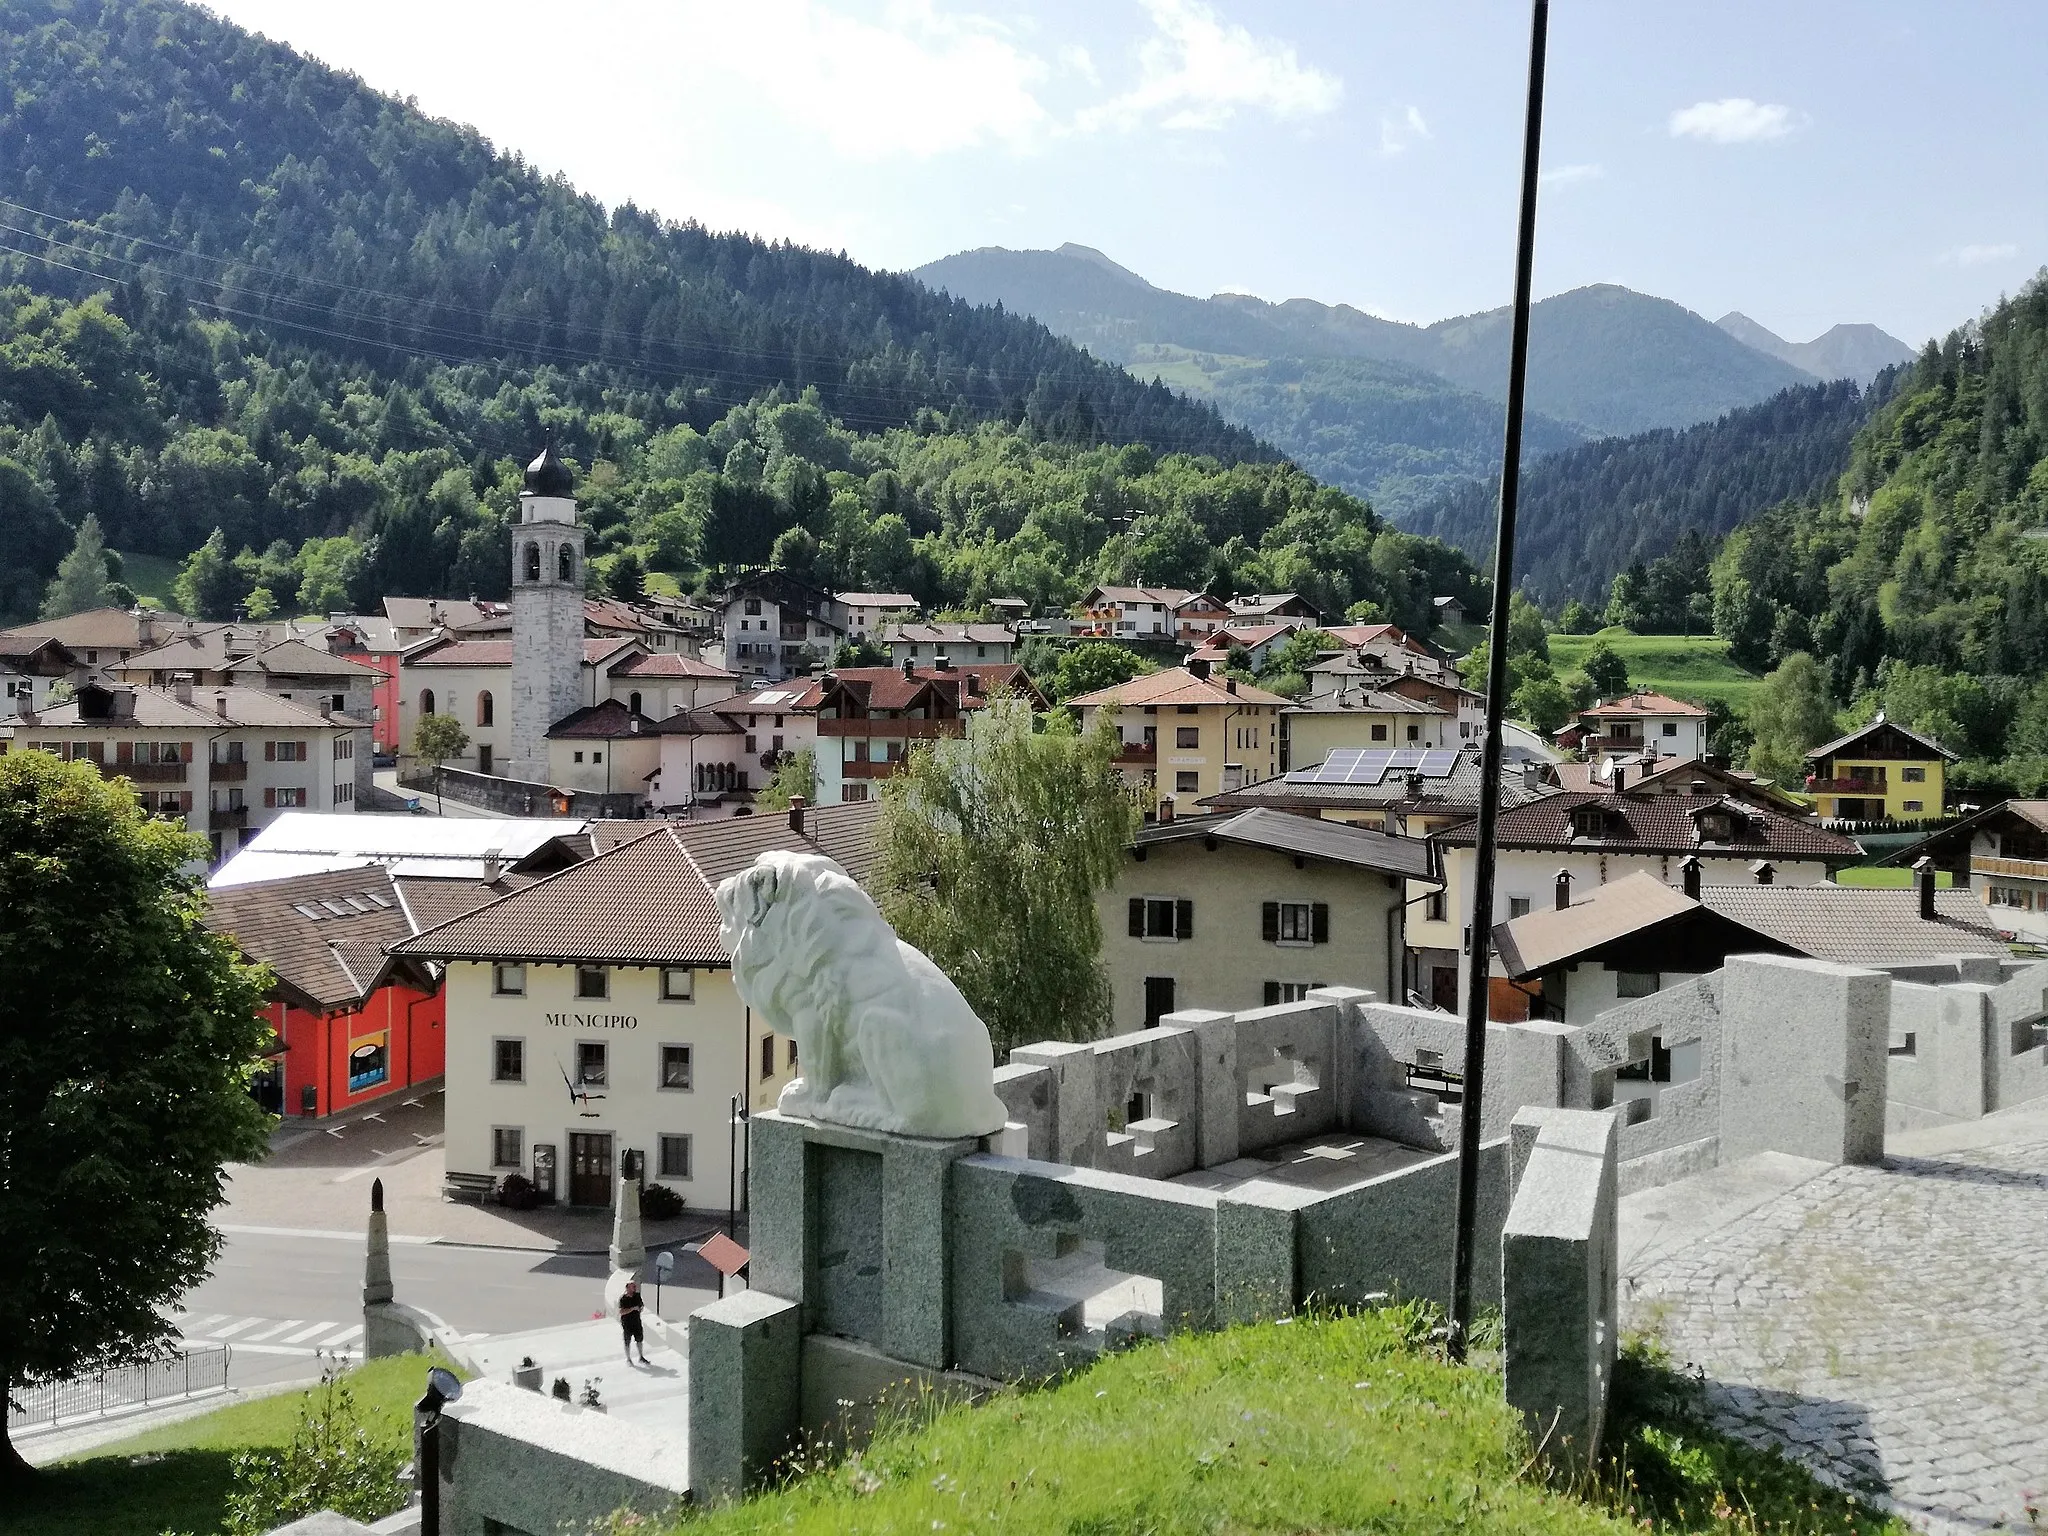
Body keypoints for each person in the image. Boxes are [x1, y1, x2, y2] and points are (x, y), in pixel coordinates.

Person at [619, 1278, 649, 1365]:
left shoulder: (637, 1296)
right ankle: (628, 1359)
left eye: (635, 1287)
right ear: (627, 1288)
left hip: (636, 1321)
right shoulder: (623, 1299)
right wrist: (632, 1309)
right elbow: (621, 1311)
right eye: (632, 1287)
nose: (634, 1288)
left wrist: (640, 1308)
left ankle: (641, 1356)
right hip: (627, 1323)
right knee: (627, 1340)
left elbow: (641, 1305)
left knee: (639, 1339)